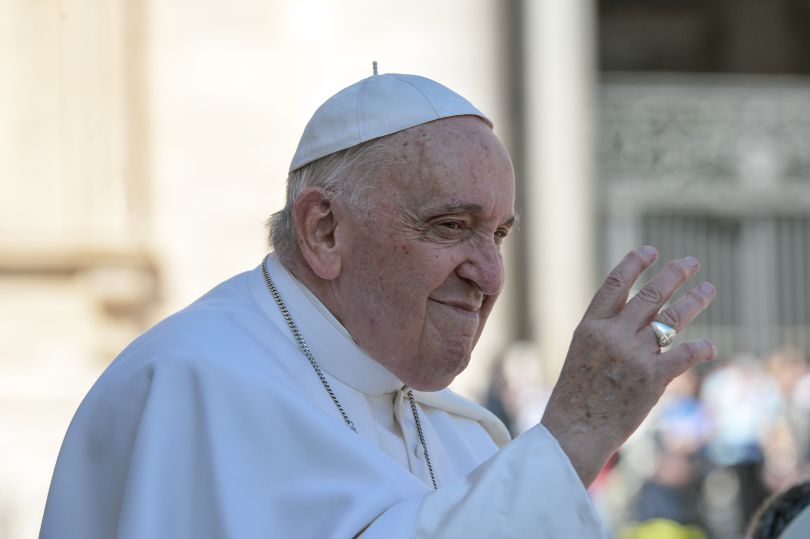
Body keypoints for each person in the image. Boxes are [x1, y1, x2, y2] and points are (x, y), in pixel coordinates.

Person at [40, 71, 717, 538]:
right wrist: (571, 436)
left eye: (499, 234)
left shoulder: (460, 431)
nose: (487, 273)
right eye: (451, 226)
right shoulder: (195, 386)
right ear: (324, 231)